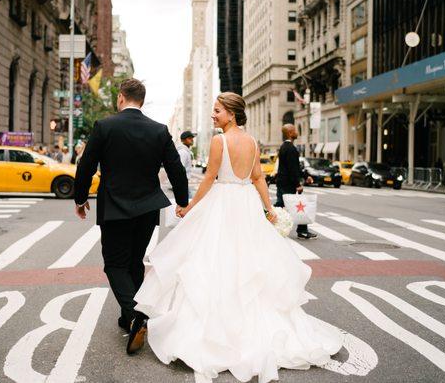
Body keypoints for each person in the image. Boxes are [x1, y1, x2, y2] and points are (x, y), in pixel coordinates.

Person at [133, 93, 342, 382]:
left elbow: (209, 179)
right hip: (247, 205)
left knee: (215, 261)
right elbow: (258, 178)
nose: (213, 115)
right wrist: (269, 209)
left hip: (223, 203)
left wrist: (189, 207)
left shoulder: (220, 141)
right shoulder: (253, 142)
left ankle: (215, 334)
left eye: (217, 111)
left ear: (231, 114)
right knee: (249, 263)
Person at [73, 78, 188, 353]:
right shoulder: (159, 131)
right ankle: (129, 319)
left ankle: (136, 313)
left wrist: (80, 198)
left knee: (114, 264)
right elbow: (176, 169)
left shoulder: (105, 126)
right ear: (142, 100)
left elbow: (86, 165)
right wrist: (182, 202)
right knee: (134, 262)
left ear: (121, 97)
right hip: (148, 208)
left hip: (114, 207)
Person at [274, 124, 317, 239]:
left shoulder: (284, 147)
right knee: (298, 205)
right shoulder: (291, 149)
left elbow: (294, 167)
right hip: (287, 184)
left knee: (281, 206)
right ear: (290, 133)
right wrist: (297, 184)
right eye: (295, 130)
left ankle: (302, 230)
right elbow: (293, 169)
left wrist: (306, 176)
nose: (297, 132)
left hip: (283, 182)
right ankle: (302, 231)